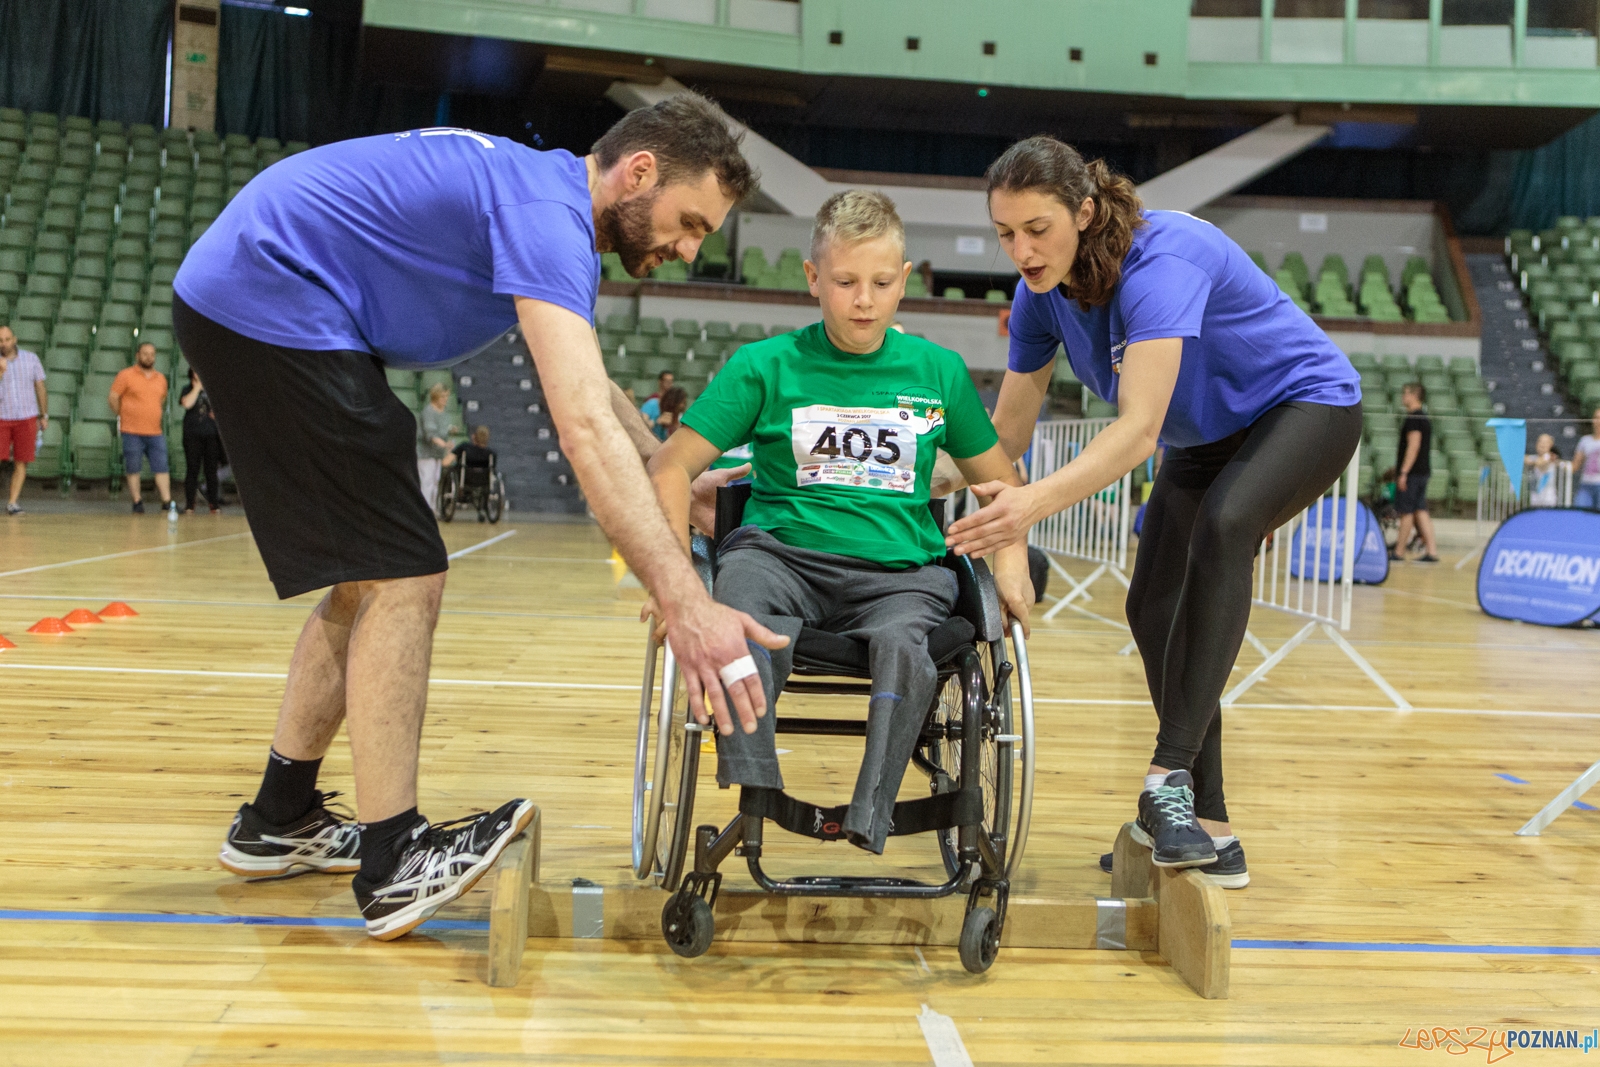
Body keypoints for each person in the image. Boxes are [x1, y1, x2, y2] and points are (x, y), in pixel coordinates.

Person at [176, 91, 777, 941]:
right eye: (690, 224)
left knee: (369, 575)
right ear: (639, 172)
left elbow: (591, 383)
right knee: (404, 571)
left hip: (271, 301)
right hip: (272, 301)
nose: (689, 250)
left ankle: (279, 816)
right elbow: (579, 427)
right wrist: (684, 600)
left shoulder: (545, 202)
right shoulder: (545, 215)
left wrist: (658, 462)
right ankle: (393, 860)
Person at [942, 136, 1362, 888]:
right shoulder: (1039, 296)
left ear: (1084, 211)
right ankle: (1211, 826)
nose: (1022, 251)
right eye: (1006, 234)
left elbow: (1138, 432)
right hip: (1205, 437)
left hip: (1306, 406)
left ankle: (1167, 779)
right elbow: (1005, 435)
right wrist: (895, 468)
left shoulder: (1162, 261)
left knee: (1226, 527)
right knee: (1151, 607)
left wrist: (1030, 505)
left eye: (1037, 229)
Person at [647, 190, 1034, 854]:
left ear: (903, 280)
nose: (864, 300)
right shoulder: (764, 366)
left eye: (881, 283)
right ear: (812, 278)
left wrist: (1012, 565)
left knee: (908, 645)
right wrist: (673, 582)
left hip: (900, 577)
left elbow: (1003, 485)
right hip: (780, 560)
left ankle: (872, 811)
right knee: (734, 606)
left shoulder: (938, 372)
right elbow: (668, 467)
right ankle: (757, 790)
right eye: (846, 281)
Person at [109, 342, 176, 517]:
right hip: (131, 431)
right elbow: (113, 397)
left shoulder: (161, 379)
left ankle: (166, 502)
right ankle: (137, 502)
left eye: (152, 354)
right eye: (145, 354)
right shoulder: (125, 375)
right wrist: (123, 414)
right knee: (133, 467)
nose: (149, 357)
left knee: (162, 467)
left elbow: (161, 400)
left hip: (155, 432)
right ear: (137, 355)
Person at [0, 323, 47, 516]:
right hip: (2, 416)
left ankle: (12, 502)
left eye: (7, 339)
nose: (4, 343)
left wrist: (44, 415)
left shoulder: (31, 359)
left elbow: (40, 387)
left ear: (14, 340)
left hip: (27, 416)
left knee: (22, 460)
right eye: (0, 341)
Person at [1391, 382, 1438, 562]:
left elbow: (1413, 446)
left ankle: (1399, 552)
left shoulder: (1414, 419)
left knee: (1407, 512)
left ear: (1414, 395)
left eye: (1405, 393)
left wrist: (1403, 472)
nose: (1403, 397)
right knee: (1420, 510)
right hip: (1422, 471)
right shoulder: (1423, 417)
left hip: (1413, 473)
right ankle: (1432, 551)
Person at [179, 368, 224, 513]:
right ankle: (189, 504)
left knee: (211, 471)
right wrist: (197, 388)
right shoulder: (187, 389)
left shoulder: (213, 389)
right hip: (192, 435)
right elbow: (187, 404)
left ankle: (214, 503)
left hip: (211, 435)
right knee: (192, 469)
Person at [416, 383, 459, 510]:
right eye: (442, 397)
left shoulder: (444, 413)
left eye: (446, 396)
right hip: (426, 454)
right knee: (427, 482)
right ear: (435, 397)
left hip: (437, 454)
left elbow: (442, 429)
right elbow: (431, 435)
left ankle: (432, 509)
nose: (445, 399)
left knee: (435, 482)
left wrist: (450, 430)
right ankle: (424, 510)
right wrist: (445, 444)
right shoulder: (428, 412)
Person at [1525, 433, 1563, 509]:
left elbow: (1541, 463)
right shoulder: (1535, 457)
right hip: (1535, 497)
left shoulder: (1551, 457)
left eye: (1545, 442)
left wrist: (1531, 462)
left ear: (1551, 445)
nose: (1542, 445)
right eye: (1540, 442)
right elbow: (1524, 459)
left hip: (1548, 498)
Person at [1575, 408, 1600, 511]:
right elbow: (1575, 465)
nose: (1598, 421)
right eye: (1596, 418)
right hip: (1586, 484)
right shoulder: (1584, 441)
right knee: (1581, 513)